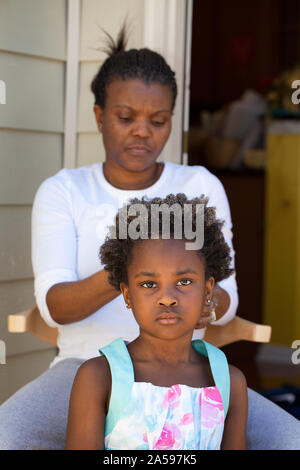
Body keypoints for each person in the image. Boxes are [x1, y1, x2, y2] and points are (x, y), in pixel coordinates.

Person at [0, 27, 299, 450]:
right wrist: (133, 265)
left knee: (290, 439)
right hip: (84, 366)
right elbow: (54, 308)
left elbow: (226, 299)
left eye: (157, 121)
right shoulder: (64, 191)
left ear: (170, 122)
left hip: (188, 365)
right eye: (126, 118)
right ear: (100, 116)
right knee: (5, 434)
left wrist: (189, 293)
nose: (143, 132)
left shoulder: (199, 185)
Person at [66, 194, 248, 450]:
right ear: (128, 294)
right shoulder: (99, 377)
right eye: (149, 284)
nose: (167, 299)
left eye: (184, 282)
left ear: (208, 290)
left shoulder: (228, 381)